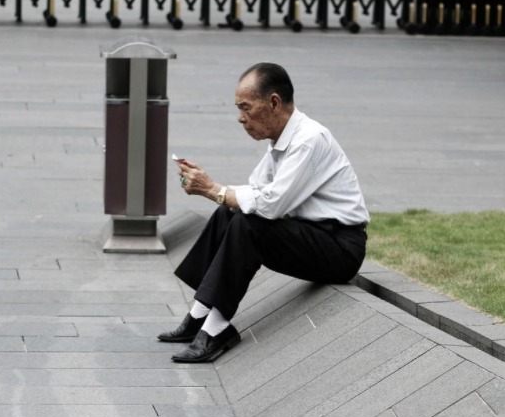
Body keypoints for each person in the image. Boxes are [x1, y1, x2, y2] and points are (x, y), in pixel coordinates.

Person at [157, 62, 369, 363]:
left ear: (274, 102)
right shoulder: (282, 139)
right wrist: (213, 188)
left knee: (247, 224)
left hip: (340, 249)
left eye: (246, 108)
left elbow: (270, 206)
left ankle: (217, 329)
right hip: (313, 235)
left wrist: (213, 189)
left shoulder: (309, 139)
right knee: (229, 213)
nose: (240, 118)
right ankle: (199, 316)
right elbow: (255, 191)